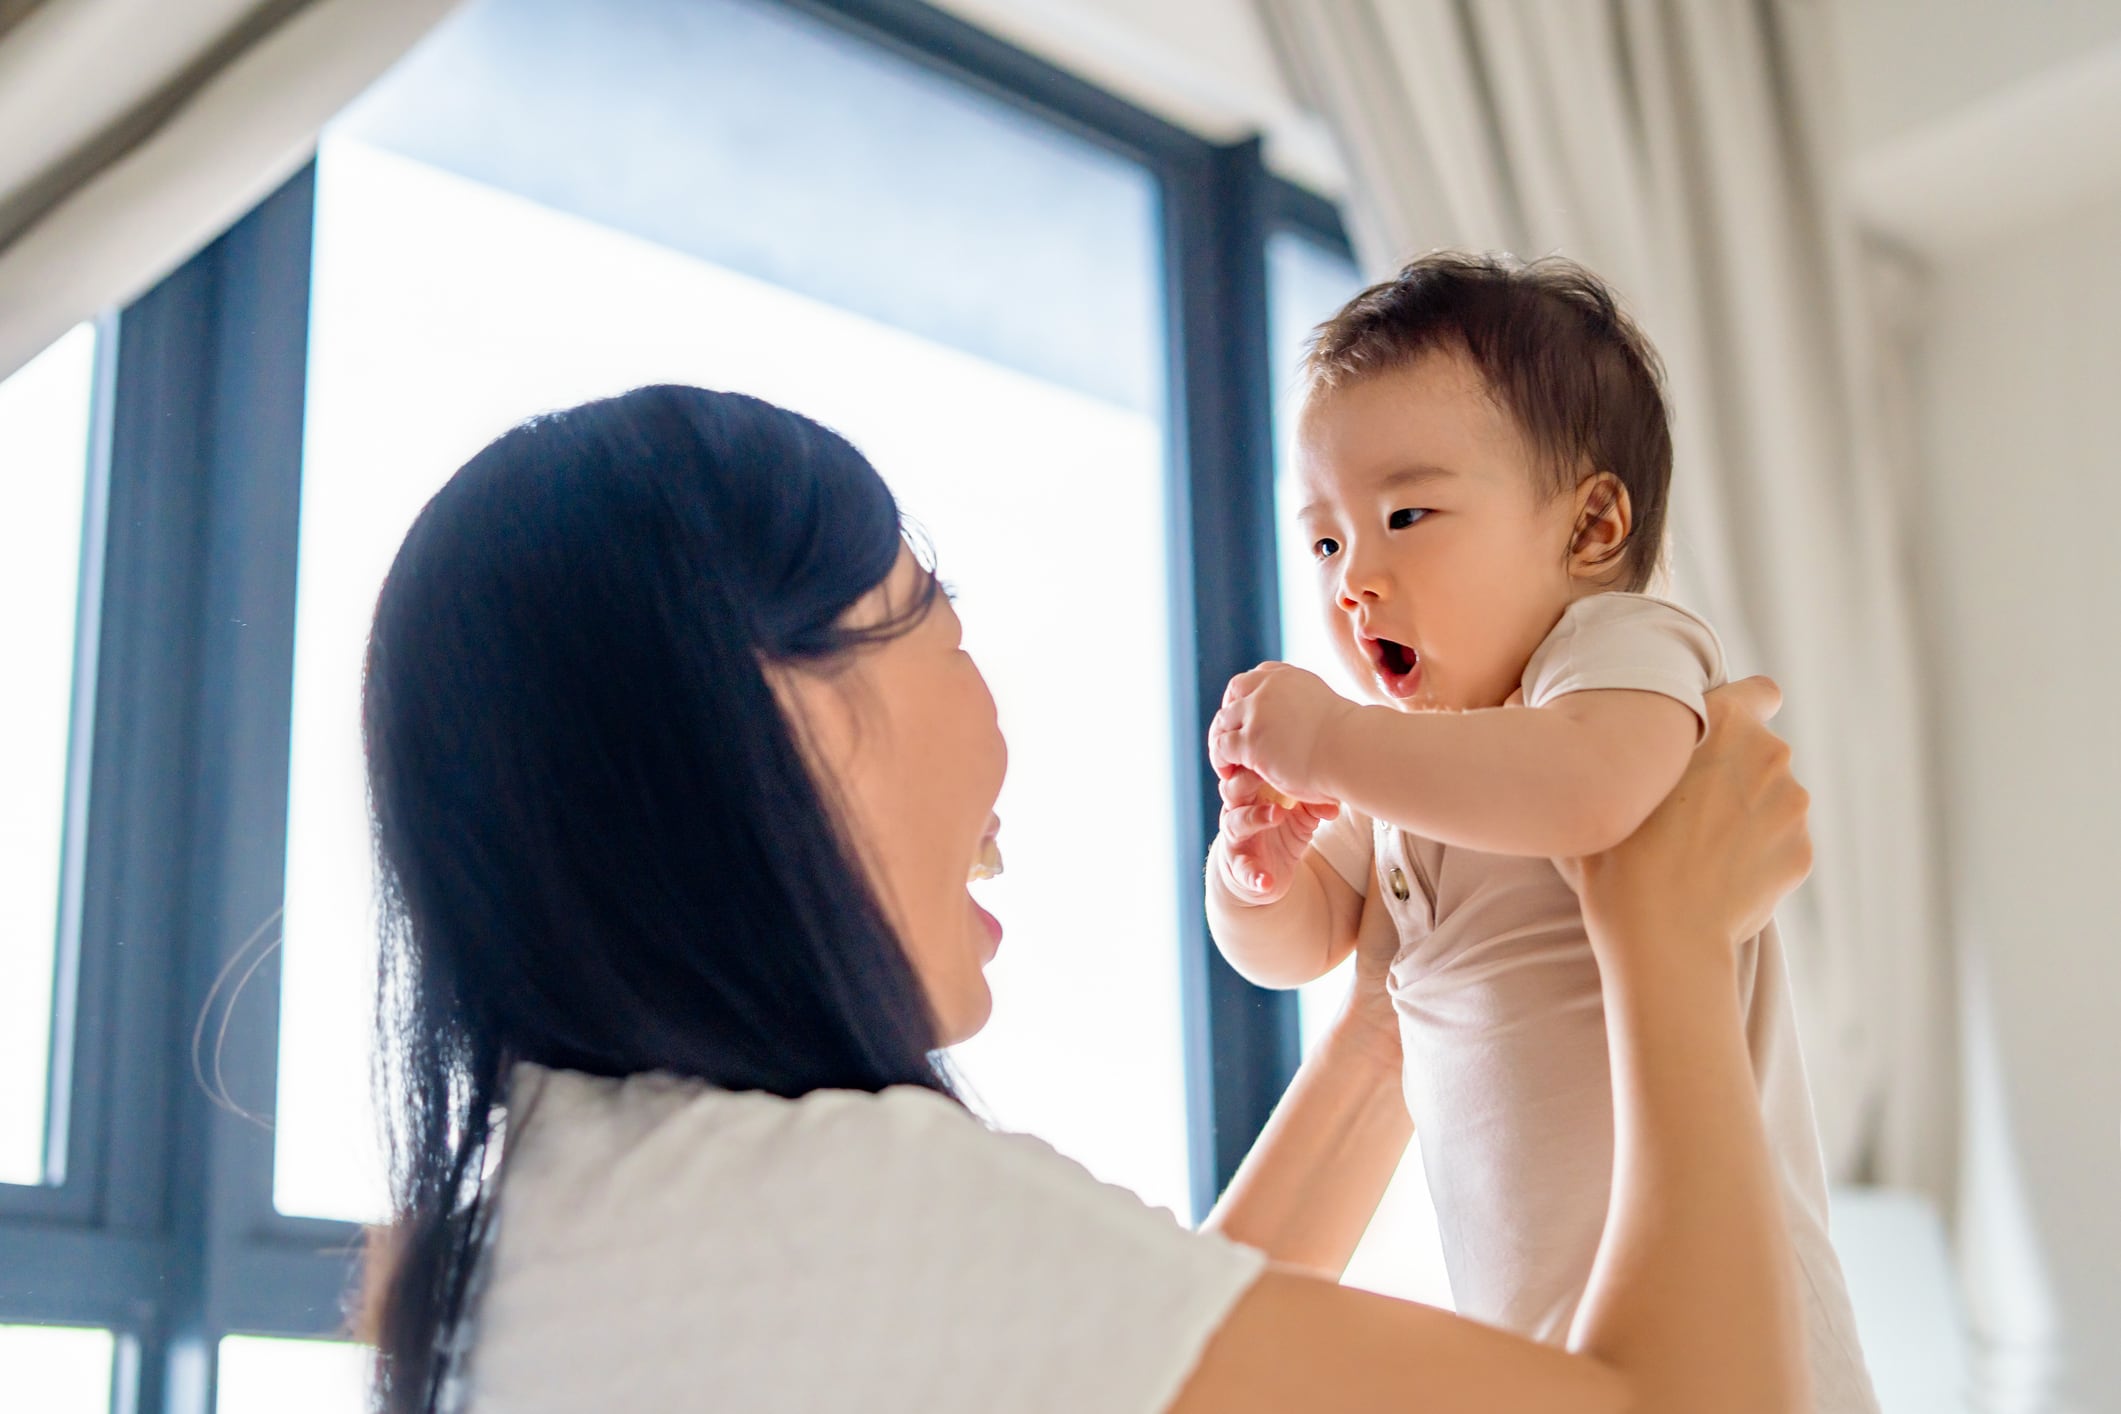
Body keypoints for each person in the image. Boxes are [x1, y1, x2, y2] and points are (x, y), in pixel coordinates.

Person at [360, 382, 1811, 1413]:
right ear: (780, 709)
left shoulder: (584, 1212)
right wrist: (1667, 942)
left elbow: (1147, 1344)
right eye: (940, 618)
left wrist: (1392, 1009)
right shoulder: (834, 1206)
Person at [1204, 253, 1875, 1411]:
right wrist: (1257, 873)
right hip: (1550, 1332)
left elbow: (1589, 791)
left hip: (1748, 1326)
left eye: (1405, 514)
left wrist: (1328, 746)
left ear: (1593, 525)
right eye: (1325, 542)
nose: (1353, 580)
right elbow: (1306, 948)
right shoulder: (1415, 763)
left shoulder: (1615, 656)